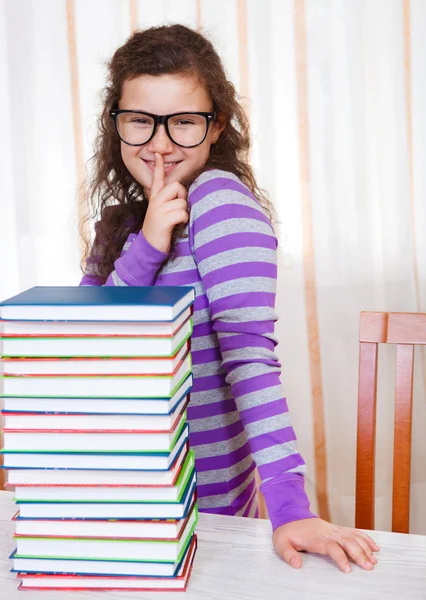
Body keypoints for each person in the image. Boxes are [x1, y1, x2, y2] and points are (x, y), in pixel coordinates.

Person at [79, 23, 379, 573]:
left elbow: (250, 360)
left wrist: (290, 507)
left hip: (202, 509)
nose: (161, 142)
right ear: (115, 125)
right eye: (141, 121)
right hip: (117, 495)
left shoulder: (222, 205)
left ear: (215, 127)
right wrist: (145, 245)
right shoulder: (119, 227)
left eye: (185, 122)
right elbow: (87, 353)